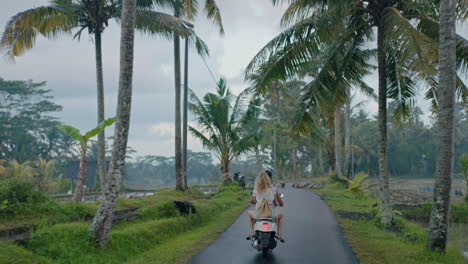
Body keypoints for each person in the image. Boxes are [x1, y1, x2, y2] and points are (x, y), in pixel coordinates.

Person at [247, 171, 285, 241]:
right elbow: (276, 204)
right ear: (268, 179)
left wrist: (258, 202)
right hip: (270, 215)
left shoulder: (256, 190)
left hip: (258, 215)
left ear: (258, 180)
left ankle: (252, 232)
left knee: (249, 214)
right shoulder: (273, 189)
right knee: (281, 215)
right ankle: (279, 234)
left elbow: (252, 201)